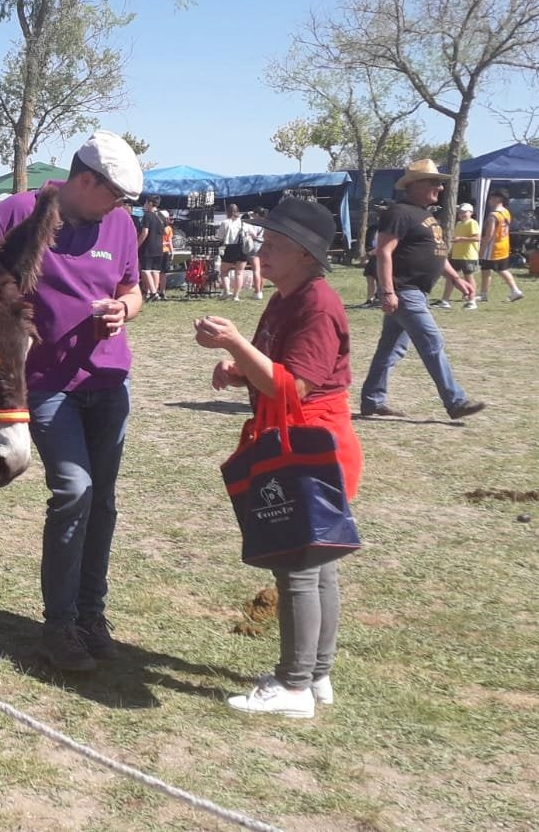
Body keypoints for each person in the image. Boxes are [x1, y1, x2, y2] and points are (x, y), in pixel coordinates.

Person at [0, 130, 145, 672]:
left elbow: (134, 288)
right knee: (75, 491)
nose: (119, 206)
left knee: (102, 501)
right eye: (114, 193)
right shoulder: (19, 212)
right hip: (45, 386)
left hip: (108, 382)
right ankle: (58, 624)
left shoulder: (122, 224)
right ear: (86, 181)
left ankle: (91, 614)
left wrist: (124, 311)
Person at [192, 196, 362, 720]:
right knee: (318, 564)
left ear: (307, 255)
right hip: (298, 440)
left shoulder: (317, 303)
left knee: (298, 568)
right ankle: (316, 674)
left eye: (275, 244)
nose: (262, 251)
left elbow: (297, 385)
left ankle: (293, 686)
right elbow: (276, 368)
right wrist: (237, 366)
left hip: (310, 447)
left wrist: (237, 343)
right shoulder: (288, 297)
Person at [359, 159, 486, 421]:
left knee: (391, 349)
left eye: (440, 183)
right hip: (405, 291)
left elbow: (435, 254)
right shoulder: (399, 212)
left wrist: (456, 278)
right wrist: (388, 291)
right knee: (432, 342)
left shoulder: (427, 216)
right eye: (434, 182)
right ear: (415, 185)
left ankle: (372, 400)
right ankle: (456, 401)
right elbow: (384, 251)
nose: (440, 188)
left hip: (415, 292)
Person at [478, 188, 525, 304]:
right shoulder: (506, 212)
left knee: (495, 269)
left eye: (491, 198)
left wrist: (482, 248)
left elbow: (489, 235)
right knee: (494, 269)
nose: (489, 200)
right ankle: (484, 293)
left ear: (498, 199)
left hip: (493, 247)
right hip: (503, 244)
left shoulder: (493, 216)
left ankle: (514, 290)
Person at [436, 202, 480, 309]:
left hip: (468, 255)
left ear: (471, 213)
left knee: (468, 277)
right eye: (460, 212)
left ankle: (472, 300)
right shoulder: (459, 224)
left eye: (464, 212)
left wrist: (461, 239)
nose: (462, 214)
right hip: (457, 255)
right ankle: (445, 300)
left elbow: (477, 238)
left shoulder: (472, 223)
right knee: (451, 277)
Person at [216, 202, 251, 300]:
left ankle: (227, 291)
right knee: (239, 273)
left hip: (231, 248)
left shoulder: (225, 222)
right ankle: (236, 296)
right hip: (243, 249)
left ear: (228, 212)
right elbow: (253, 234)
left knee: (224, 271)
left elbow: (219, 236)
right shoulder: (244, 222)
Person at [137, 196, 166, 302]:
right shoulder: (161, 216)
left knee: (145, 270)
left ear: (149, 203)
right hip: (159, 246)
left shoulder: (147, 216)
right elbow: (166, 231)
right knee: (155, 270)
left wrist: (137, 245)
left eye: (145, 202)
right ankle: (156, 292)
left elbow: (145, 232)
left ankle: (153, 293)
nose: (144, 204)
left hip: (149, 246)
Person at [246, 207, 266, 300]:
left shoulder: (253, 224)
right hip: (264, 245)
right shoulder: (266, 223)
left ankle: (257, 291)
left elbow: (252, 235)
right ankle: (260, 290)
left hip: (254, 246)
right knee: (262, 270)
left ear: (257, 214)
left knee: (256, 270)